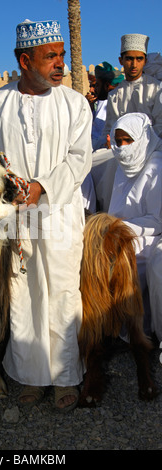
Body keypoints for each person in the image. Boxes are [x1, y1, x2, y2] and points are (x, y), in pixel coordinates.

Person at [0, 19, 93, 411]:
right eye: (51, 57)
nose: (60, 63)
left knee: (62, 292)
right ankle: (30, 376)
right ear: (25, 61)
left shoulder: (75, 103)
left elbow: (80, 160)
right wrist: (7, 183)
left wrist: (42, 186)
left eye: (62, 55)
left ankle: (64, 379)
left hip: (60, 213)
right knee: (23, 293)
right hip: (16, 216)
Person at [108, 112, 162, 337]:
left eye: (128, 140)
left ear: (142, 139)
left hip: (151, 235)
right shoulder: (123, 164)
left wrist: (120, 229)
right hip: (121, 230)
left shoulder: (155, 166)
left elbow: (156, 221)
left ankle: (142, 330)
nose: (123, 147)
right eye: (118, 141)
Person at [102, 34, 162, 142]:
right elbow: (110, 128)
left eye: (139, 59)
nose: (134, 65)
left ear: (145, 61)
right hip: (121, 147)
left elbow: (159, 126)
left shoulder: (156, 88)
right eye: (129, 59)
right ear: (121, 61)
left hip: (151, 147)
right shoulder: (114, 95)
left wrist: (139, 143)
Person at [91, 61, 124, 151]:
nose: (94, 89)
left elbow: (98, 137)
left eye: (97, 85)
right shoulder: (101, 103)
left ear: (106, 86)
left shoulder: (106, 103)